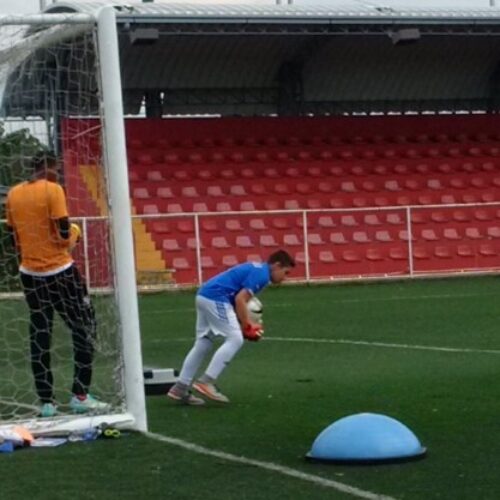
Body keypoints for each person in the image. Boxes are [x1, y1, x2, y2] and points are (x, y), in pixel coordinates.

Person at [5, 151, 109, 417]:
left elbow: (12, 235)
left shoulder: (14, 193)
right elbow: (63, 233)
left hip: (29, 274)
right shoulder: (53, 190)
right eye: (57, 168)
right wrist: (75, 233)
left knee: (40, 333)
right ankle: (80, 395)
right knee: (85, 327)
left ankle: (46, 402)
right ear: (49, 167)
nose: (60, 173)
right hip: (60, 272)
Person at [167, 250, 295, 405]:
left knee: (203, 343)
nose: (285, 278)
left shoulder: (257, 269)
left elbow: (237, 301)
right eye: (285, 272)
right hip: (216, 298)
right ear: (277, 265)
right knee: (235, 339)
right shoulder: (262, 275)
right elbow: (240, 299)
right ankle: (206, 381)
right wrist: (248, 325)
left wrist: (244, 324)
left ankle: (180, 387)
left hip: (204, 295)